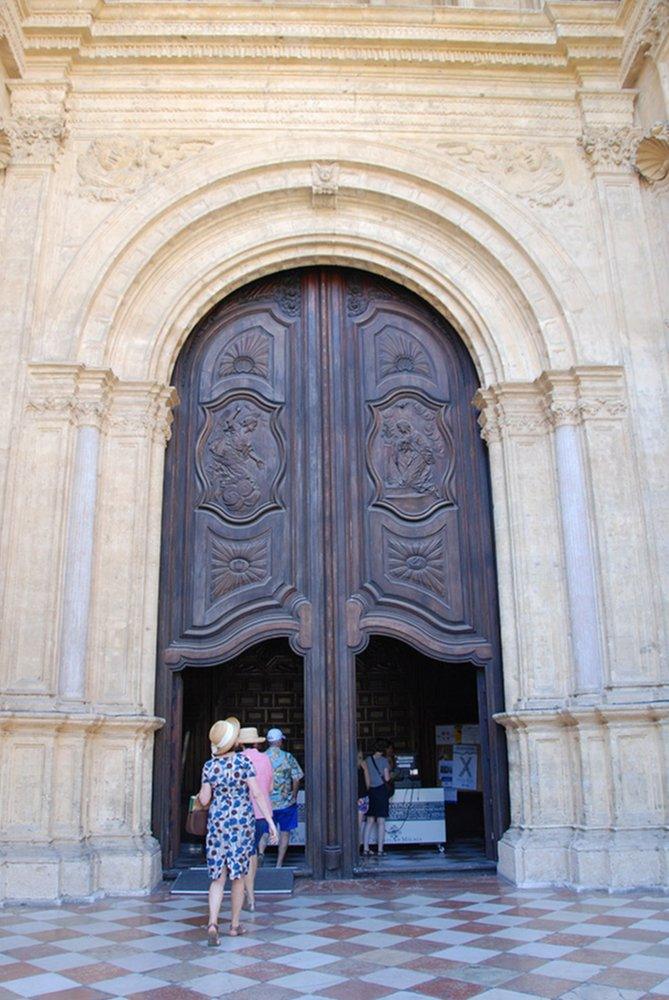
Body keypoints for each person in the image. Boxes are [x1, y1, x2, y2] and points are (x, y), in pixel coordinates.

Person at [197, 717, 277, 946]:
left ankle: (213, 923)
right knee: (238, 877)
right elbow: (258, 794)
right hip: (241, 823)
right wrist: (270, 822)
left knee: (217, 877)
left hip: (218, 824)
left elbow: (204, 799)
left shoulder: (209, 766)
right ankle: (233, 925)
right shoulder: (243, 763)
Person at [239, 725, 273, 912]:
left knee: (245, 855)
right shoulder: (265, 759)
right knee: (252, 854)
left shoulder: (237, 760)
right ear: (256, 742)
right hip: (262, 812)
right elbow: (269, 788)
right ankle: (249, 894)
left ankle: (249, 895)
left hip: (243, 813)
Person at [259, 727, 304, 868]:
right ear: (279, 742)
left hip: (266, 803)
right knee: (285, 832)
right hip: (286, 802)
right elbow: (297, 778)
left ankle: (261, 854)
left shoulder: (262, 757)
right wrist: (294, 795)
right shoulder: (287, 757)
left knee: (264, 832)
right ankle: (279, 864)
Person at [363, 740, 391, 858]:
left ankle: (365, 848)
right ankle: (380, 850)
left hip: (370, 791)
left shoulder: (367, 760)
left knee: (369, 821)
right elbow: (387, 778)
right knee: (381, 822)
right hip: (381, 791)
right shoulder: (384, 761)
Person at [357, 749, 370, 845]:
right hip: (362, 797)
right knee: (358, 825)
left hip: (349, 799)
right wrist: (365, 770)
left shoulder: (346, 766)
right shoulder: (363, 767)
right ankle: (356, 848)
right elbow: (368, 785)